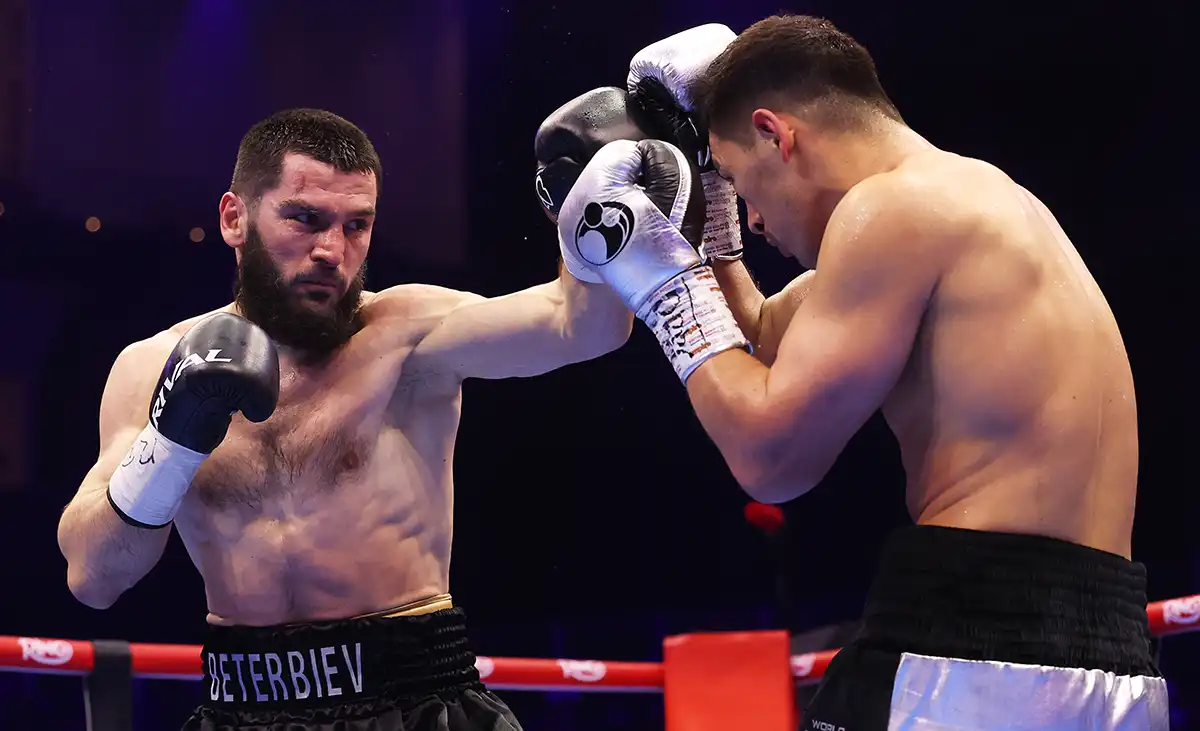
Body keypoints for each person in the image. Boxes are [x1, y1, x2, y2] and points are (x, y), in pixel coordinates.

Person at [558, 17, 1169, 729]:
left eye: (737, 184)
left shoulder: (892, 211)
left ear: (777, 135)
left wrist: (659, 282)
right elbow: (759, 344)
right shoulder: (971, 202)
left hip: (979, 657)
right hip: (1111, 665)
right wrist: (707, 235)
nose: (753, 221)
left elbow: (771, 455)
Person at [56, 103, 642, 731]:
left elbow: (585, 325)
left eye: (356, 225)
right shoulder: (152, 368)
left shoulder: (408, 334)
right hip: (239, 710)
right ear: (234, 219)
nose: (332, 251)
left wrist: (596, 202)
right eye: (305, 219)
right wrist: (170, 445)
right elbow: (94, 577)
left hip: (414, 702)